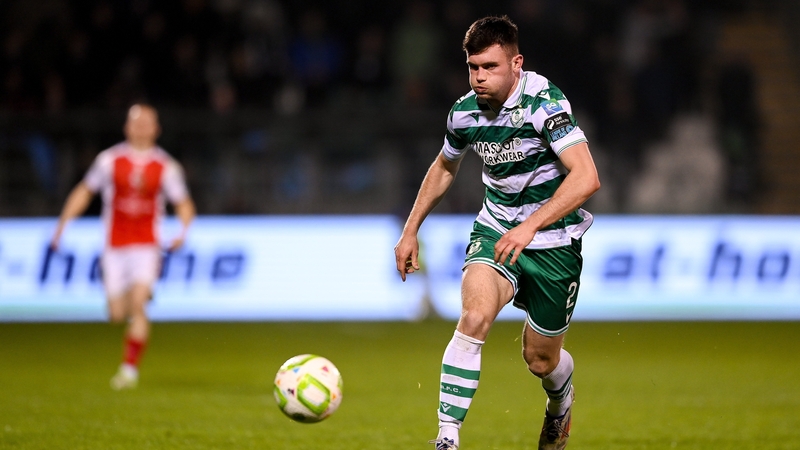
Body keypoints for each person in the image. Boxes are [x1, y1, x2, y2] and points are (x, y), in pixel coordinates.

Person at [394, 16, 600, 450]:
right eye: (474, 68)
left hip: (554, 243)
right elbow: (445, 165)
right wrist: (411, 229)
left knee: (540, 360)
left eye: (490, 67)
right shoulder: (464, 112)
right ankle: (447, 438)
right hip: (496, 229)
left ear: (516, 63)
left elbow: (585, 177)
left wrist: (530, 226)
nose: (480, 78)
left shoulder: (545, 103)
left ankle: (560, 402)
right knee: (473, 318)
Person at [51, 103, 196, 390]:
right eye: (136, 122)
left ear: (157, 128)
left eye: (147, 122)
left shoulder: (166, 166)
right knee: (117, 313)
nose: (141, 127)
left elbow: (183, 203)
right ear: (127, 127)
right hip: (114, 246)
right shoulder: (109, 161)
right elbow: (84, 191)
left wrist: (183, 230)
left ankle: (129, 369)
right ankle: (134, 302)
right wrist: (62, 225)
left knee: (138, 305)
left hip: (147, 245)